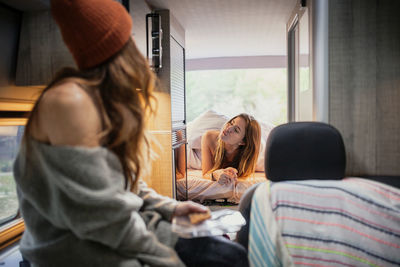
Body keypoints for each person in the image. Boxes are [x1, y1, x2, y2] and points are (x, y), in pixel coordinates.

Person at [13, 0, 248, 266]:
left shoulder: (98, 100)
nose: (138, 49)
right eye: (128, 38)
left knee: (229, 251)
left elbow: (123, 183)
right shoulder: (69, 103)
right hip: (80, 251)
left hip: (121, 229)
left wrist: (172, 208)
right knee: (227, 259)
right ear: (114, 47)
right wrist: (168, 258)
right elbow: (104, 219)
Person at [201, 114, 261, 185]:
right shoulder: (209, 137)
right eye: (232, 123)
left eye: (236, 130)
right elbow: (205, 173)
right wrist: (215, 175)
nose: (228, 128)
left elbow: (245, 173)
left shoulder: (248, 154)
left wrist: (233, 173)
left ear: (242, 142)